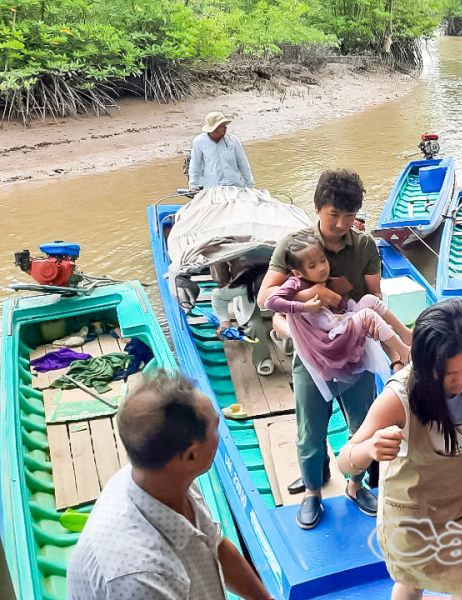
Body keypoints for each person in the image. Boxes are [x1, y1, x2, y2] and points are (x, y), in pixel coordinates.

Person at [337, 299, 462, 600]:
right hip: (411, 516)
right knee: (410, 583)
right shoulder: (398, 398)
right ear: (424, 363)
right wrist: (369, 448)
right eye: (448, 372)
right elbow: (345, 461)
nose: (459, 380)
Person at [258, 169, 398, 527]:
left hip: (354, 350)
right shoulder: (294, 244)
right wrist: (310, 298)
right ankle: (312, 492)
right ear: (318, 208)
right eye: (333, 214)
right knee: (311, 430)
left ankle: (355, 484)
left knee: (363, 424)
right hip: (311, 356)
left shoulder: (364, 245)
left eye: (349, 216)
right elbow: (265, 300)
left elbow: (374, 295)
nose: (340, 223)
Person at [67, 372, 271, 600]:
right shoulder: (139, 578)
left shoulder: (164, 479)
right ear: (191, 456)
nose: (219, 434)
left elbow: (215, 545)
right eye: (215, 427)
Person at [263, 231, 411, 389]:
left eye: (323, 261)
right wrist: (304, 306)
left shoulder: (328, 280)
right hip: (328, 339)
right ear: (298, 272)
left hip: (336, 324)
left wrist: (341, 310)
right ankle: (403, 352)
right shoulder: (295, 284)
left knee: (370, 300)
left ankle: (407, 335)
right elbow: (270, 301)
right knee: (368, 315)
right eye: (312, 266)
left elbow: (346, 302)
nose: (321, 268)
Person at [210, 259, 274, 376]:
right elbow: (217, 296)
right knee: (256, 326)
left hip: (277, 294)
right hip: (249, 295)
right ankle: (263, 358)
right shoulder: (244, 285)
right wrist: (224, 321)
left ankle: (284, 340)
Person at [188, 112, 255, 191]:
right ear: (214, 129)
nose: (225, 128)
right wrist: (193, 185)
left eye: (225, 125)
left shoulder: (233, 140)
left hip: (235, 187)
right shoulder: (199, 142)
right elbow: (195, 165)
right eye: (222, 126)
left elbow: (243, 163)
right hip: (212, 189)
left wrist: (250, 185)